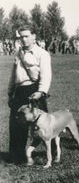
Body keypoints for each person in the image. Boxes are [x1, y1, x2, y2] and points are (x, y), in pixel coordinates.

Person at [8, 25, 52, 164]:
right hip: (19, 91)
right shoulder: (18, 53)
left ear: (34, 36)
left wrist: (41, 91)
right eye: (21, 37)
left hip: (35, 91)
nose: (24, 39)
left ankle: (50, 154)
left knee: (43, 126)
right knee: (16, 125)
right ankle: (17, 156)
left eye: (26, 36)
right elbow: (13, 76)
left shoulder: (42, 54)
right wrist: (10, 93)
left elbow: (46, 75)